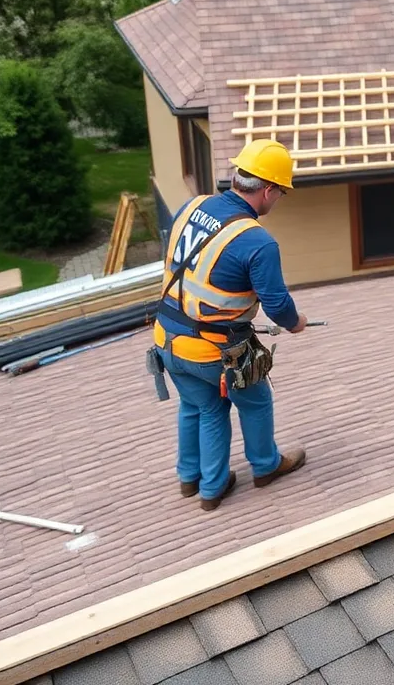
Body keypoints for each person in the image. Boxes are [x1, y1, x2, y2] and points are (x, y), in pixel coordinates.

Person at [152, 139, 308, 511]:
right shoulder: (257, 241)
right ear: (267, 190)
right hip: (214, 351)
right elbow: (277, 305)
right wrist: (295, 323)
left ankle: (193, 479)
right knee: (254, 402)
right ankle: (258, 469)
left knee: (198, 406)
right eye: (281, 193)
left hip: (167, 337)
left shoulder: (193, 205)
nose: (278, 200)